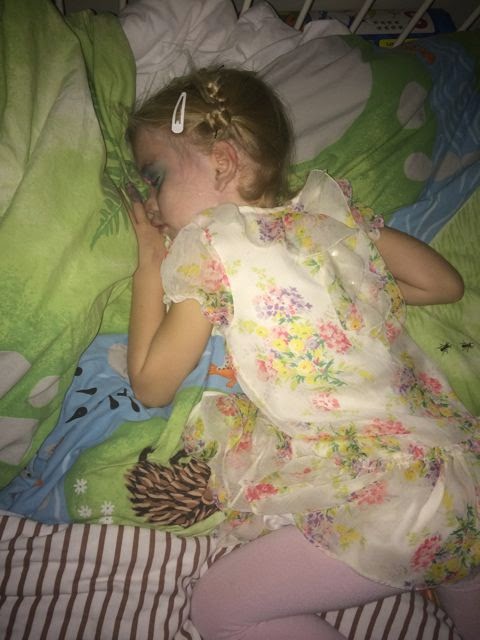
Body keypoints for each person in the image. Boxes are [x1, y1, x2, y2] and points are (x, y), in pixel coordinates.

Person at [126, 66, 480, 640]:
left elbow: (151, 383)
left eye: (155, 177)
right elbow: (443, 285)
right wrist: (360, 271)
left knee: (221, 609)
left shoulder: (210, 244)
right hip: (461, 472)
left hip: (393, 497)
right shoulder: (325, 220)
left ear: (223, 162)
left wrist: (148, 260)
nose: (152, 203)